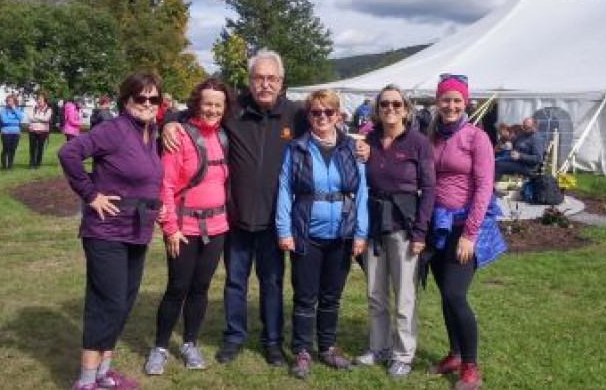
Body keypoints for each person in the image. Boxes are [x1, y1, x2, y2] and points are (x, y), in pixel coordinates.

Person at [163, 49, 309, 367]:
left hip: (274, 219)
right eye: (259, 77)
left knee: (271, 283)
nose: (265, 84)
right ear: (249, 80)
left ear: (281, 82)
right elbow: (196, 111)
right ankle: (234, 337)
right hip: (235, 217)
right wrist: (170, 124)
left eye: (271, 78)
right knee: (235, 282)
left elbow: (328, 128)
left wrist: (360, 145)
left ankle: (272, 342)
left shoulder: (296, 115)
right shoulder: (234, 110)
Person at [59, 73, 164, 390]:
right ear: (126, 101)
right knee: (108, 303)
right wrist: (91, 195)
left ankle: (104, 373)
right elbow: (69, 153)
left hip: (137, 230)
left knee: (125, 301)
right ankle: (86, 381)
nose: (147, 104)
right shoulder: (114, 130)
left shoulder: (151, 132)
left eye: (153, 99)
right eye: (140, 98)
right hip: (107, 231)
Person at [275, 89, 368, 379]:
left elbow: (362, 192)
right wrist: (283, 229)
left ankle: (327, 346)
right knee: (305, 296)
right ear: (309, 116)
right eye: (316, 112)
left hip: (341, 232)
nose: (322, 117)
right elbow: (284, 190)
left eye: (329, 112)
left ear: (338, 115)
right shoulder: (296, 148)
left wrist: (361, 233)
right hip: (306, 232)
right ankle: (302, 350)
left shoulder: (352, 149)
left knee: (331, 296)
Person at [144, 78, 233, 376]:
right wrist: (170, 227)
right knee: (177, 288)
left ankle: (190, 343)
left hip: (218, 227)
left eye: (218, 105)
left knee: (201, 288)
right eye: (207, 103)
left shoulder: (223, 136)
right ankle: (159, 347)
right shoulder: (179, 135)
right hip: (184, 228)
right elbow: (165, 185)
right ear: (197, 103)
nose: (212, 109)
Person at [354, 84, 436, 379]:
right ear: (377, 109)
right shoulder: (369, 140)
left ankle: (403, 354)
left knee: (404, 296)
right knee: (375, 293)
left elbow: (428, 189)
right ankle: (379, 347)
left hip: (405, 225)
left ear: (406, 109)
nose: (390, 109)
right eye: (385, 104)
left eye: (396, 104)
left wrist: (420, 233)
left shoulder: (418, 143)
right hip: (376, 225)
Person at [426, 74, 497, 390]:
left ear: (465, 102)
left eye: (457, 100)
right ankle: (454, 353)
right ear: (437, 102)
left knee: (456, 293)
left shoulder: (476, 138)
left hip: (463, 228)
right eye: (445, 99)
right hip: (437, 227)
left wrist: (470, 233)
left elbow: (484, 187)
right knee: (445, 294)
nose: (451, 105)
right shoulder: (432, 136)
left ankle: (471, 366)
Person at [0, 94, 24, 170]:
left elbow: (20, 118)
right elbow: (4, 121)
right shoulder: (2, 111)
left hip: (16, 133)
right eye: (8, 101)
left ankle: (10, 165)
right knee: (6, 149)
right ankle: (4, 166)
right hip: (6, 132)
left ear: (14, 102)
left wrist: (14, 110)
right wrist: (15, 121)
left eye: (11, 101)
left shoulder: (17, 110)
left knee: (13, 149)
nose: (9, 102)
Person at [27, 92, 52, 169]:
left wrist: (36, 118)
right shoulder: (33, 108)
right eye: (38, 99)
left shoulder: (48, 109)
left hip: (43, 131)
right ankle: (32, 163)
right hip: (33, 130)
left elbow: (46, 119)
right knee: (32, 147)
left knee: (40, 148)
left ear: (45, 100)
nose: (39, 100)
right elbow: (30, 118)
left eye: (41, 99)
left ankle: (38, 163)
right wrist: (40, 118)